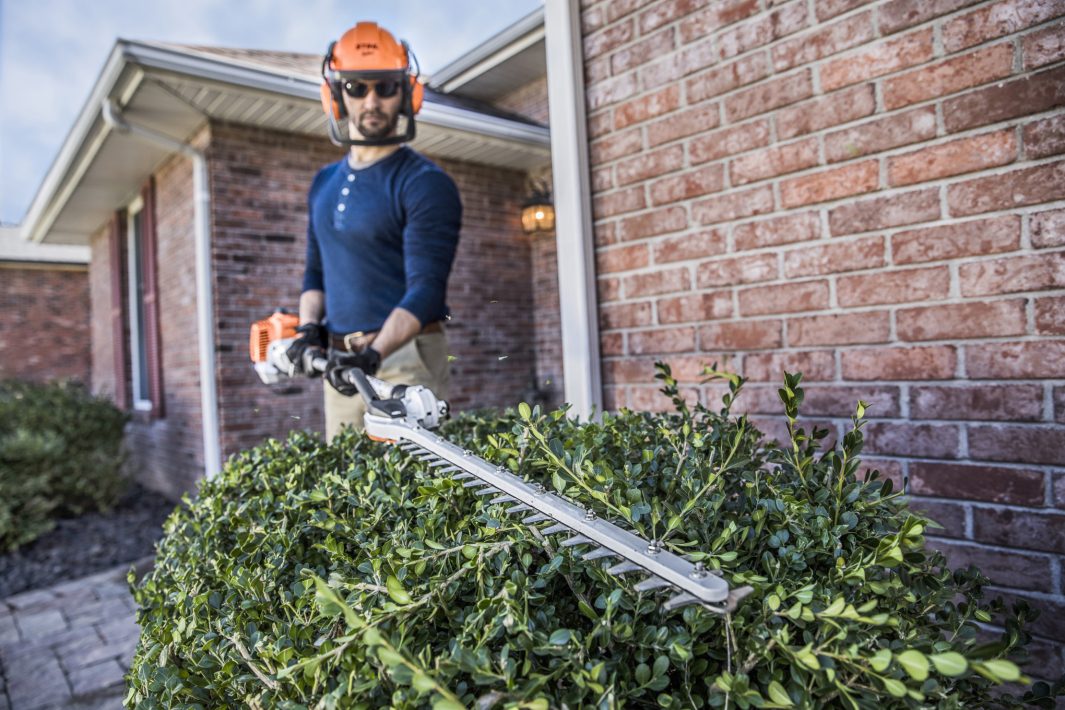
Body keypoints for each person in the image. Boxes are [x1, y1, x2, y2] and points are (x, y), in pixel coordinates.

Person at [285, 21, 462, 441]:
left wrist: (373, 354)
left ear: (407, 93)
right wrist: (309, 329)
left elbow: (427, 292)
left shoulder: (424, 183)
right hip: (342, 364)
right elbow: (315, 274)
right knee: (346, 490)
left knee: (412, 493)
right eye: (356, 87)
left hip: (403, 358)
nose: (371, 100)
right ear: (335, 95)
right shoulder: (322, 182)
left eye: (385, 88)